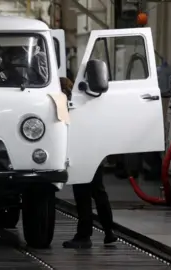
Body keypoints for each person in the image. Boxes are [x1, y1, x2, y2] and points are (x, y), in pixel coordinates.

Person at [58, 77, 118, 249]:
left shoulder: (67, 107)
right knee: (99, 192)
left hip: (80, 154)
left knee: (82, 195)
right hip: (94, 153)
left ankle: (84, 236)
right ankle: (109, 232)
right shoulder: (87, 103)